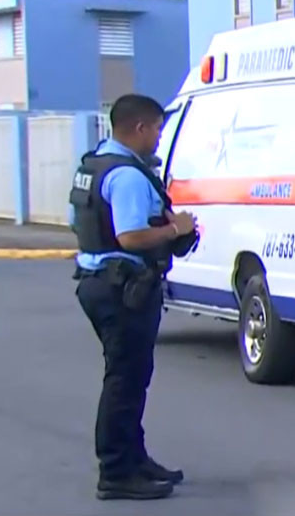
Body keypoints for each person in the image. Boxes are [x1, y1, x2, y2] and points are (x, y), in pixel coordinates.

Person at [69, 94, 198, 499]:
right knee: (125, 380)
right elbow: (131, 236)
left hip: (99, 280)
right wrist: (174, 230)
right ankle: (116, 471)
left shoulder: (93, 164)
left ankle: (134, 457)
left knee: (131, 376)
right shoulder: (126, 176)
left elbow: (82, 222)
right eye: (157, 128)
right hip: (121, 287)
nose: (160, 136)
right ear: (140, 128)